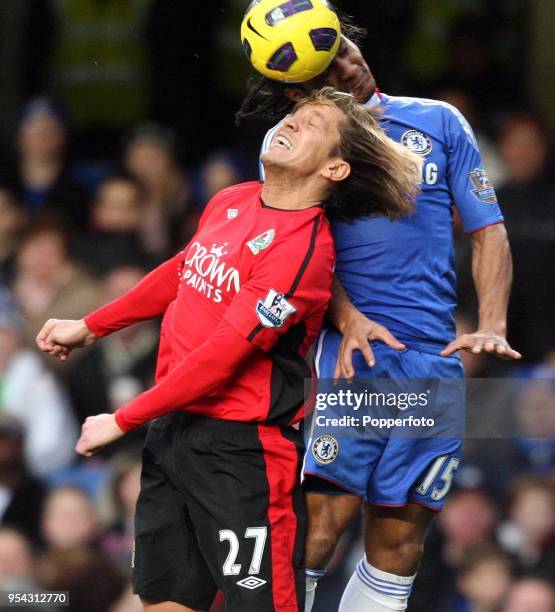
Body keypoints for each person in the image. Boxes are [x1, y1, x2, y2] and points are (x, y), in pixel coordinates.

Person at [36, 88, 422, 612]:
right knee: (165, 603)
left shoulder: (303, 254)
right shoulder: (233, 198)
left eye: (312, 125)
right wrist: (91, 325)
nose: (290, 124)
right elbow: (182, 269)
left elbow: (222, 356)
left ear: (334, 169)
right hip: (173, 433)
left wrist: (123, 420)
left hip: (242, 455)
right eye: (294, 115)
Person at [238, 12, 521, 612]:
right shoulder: (293, 144)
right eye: (331, 68)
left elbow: (488, 231)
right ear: (297, 91)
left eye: (346, 51)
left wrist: (491, 323)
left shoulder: (440, 120)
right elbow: (293, 251)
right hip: (351, 357)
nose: (351, 65)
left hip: (432, 361)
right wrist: (346, 318)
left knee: (400, 545)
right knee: (320, 528)